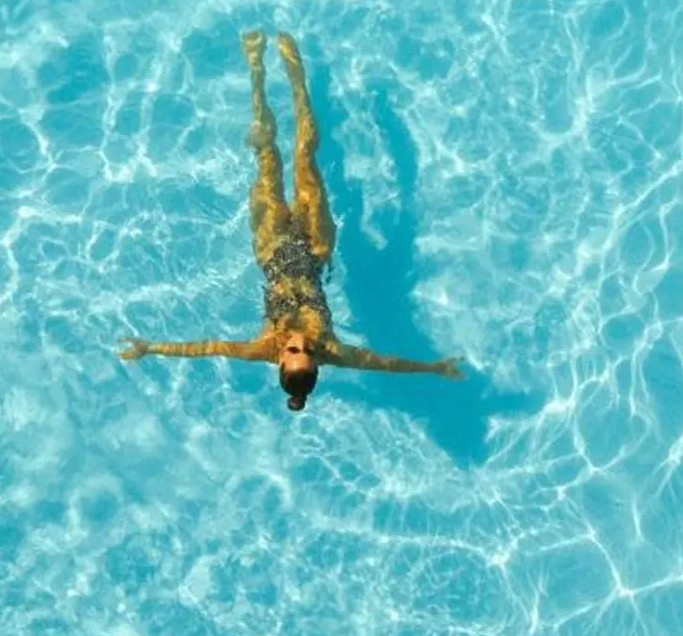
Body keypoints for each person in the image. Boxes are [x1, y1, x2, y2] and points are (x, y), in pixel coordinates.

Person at [119, 30, 464, 411]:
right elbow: (385, 363)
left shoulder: (262, 347)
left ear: (280, 361)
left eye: (292, 350)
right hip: (315, 247)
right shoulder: (332, 349)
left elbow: (207, 347)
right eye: (305, 351)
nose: (298, 342)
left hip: (271, 248)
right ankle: (297, 78)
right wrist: (434, 367)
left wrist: (149, 347)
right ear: (316, 362)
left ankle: (255, 67)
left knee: (265, 153)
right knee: (305, 156)